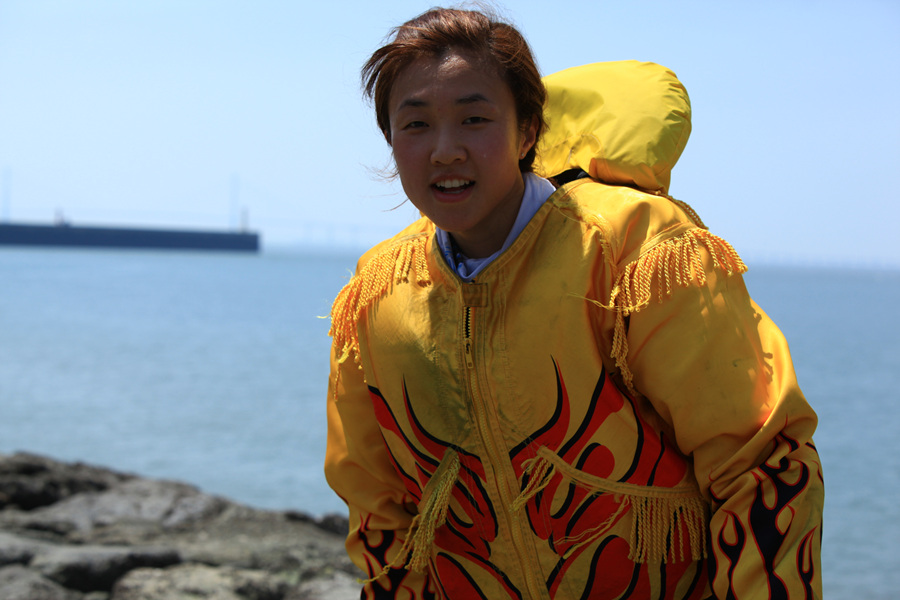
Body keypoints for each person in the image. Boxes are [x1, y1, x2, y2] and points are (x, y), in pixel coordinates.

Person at [325, 7, 823, 599]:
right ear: (391, 141)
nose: (445, 150)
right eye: (415, 125)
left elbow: (758, 461)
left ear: (527, 132)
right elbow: (379, 510)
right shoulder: (377, 293)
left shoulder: (635, 250)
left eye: (474, 118)